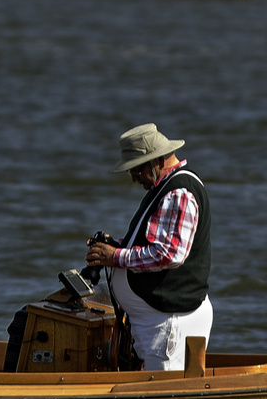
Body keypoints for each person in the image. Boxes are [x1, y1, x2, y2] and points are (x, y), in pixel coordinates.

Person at [85, 123, 212, 372]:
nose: (132, 177)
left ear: (156, 161)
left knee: (166, 395)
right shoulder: (166, 189)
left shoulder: (178, 192)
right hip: (162, 324)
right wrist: (116, 247)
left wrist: (117, 257)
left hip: (169, 323)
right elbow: (158, 245)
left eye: (135, 169)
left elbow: (170, 254)